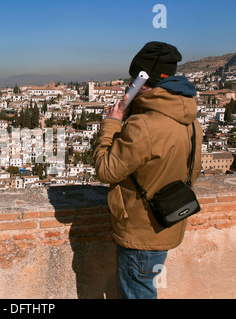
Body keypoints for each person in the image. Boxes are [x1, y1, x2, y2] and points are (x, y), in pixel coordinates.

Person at [93, 42, 203, 299]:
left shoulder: (144, 125)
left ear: (140, 80)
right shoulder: (190, 119)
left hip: (140, 230)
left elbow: (105, 170)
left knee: (138, 293)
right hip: (168, 221)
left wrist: (111, 125)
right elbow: (194, 169)